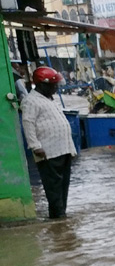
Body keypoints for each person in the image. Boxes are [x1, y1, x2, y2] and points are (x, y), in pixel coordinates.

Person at [21, 67, 77, 219]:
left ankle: (60, 218)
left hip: (62, 149)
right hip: (48, 151)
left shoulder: (48, 99)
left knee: (63, 185)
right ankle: (58, 217)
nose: (56, 88)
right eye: (53, 85)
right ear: (42, 85)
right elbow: (28, 123)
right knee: (53, 187)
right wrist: (35, 146)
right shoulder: (31, 101)